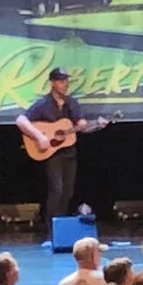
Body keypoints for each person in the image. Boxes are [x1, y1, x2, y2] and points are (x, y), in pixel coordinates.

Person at [15, 66, 94, 230]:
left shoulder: (71, 103)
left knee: (68, 191)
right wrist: (40, 137)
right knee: (56, 189)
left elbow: (81, 125)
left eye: (66, 80)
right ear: (52, 82)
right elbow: (21, 120)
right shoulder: (43, 104)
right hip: (53, 154)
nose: (65, 84)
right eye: (61, 81)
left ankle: (61, 225)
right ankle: (51, 228)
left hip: (69, 152)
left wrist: (94, 125)